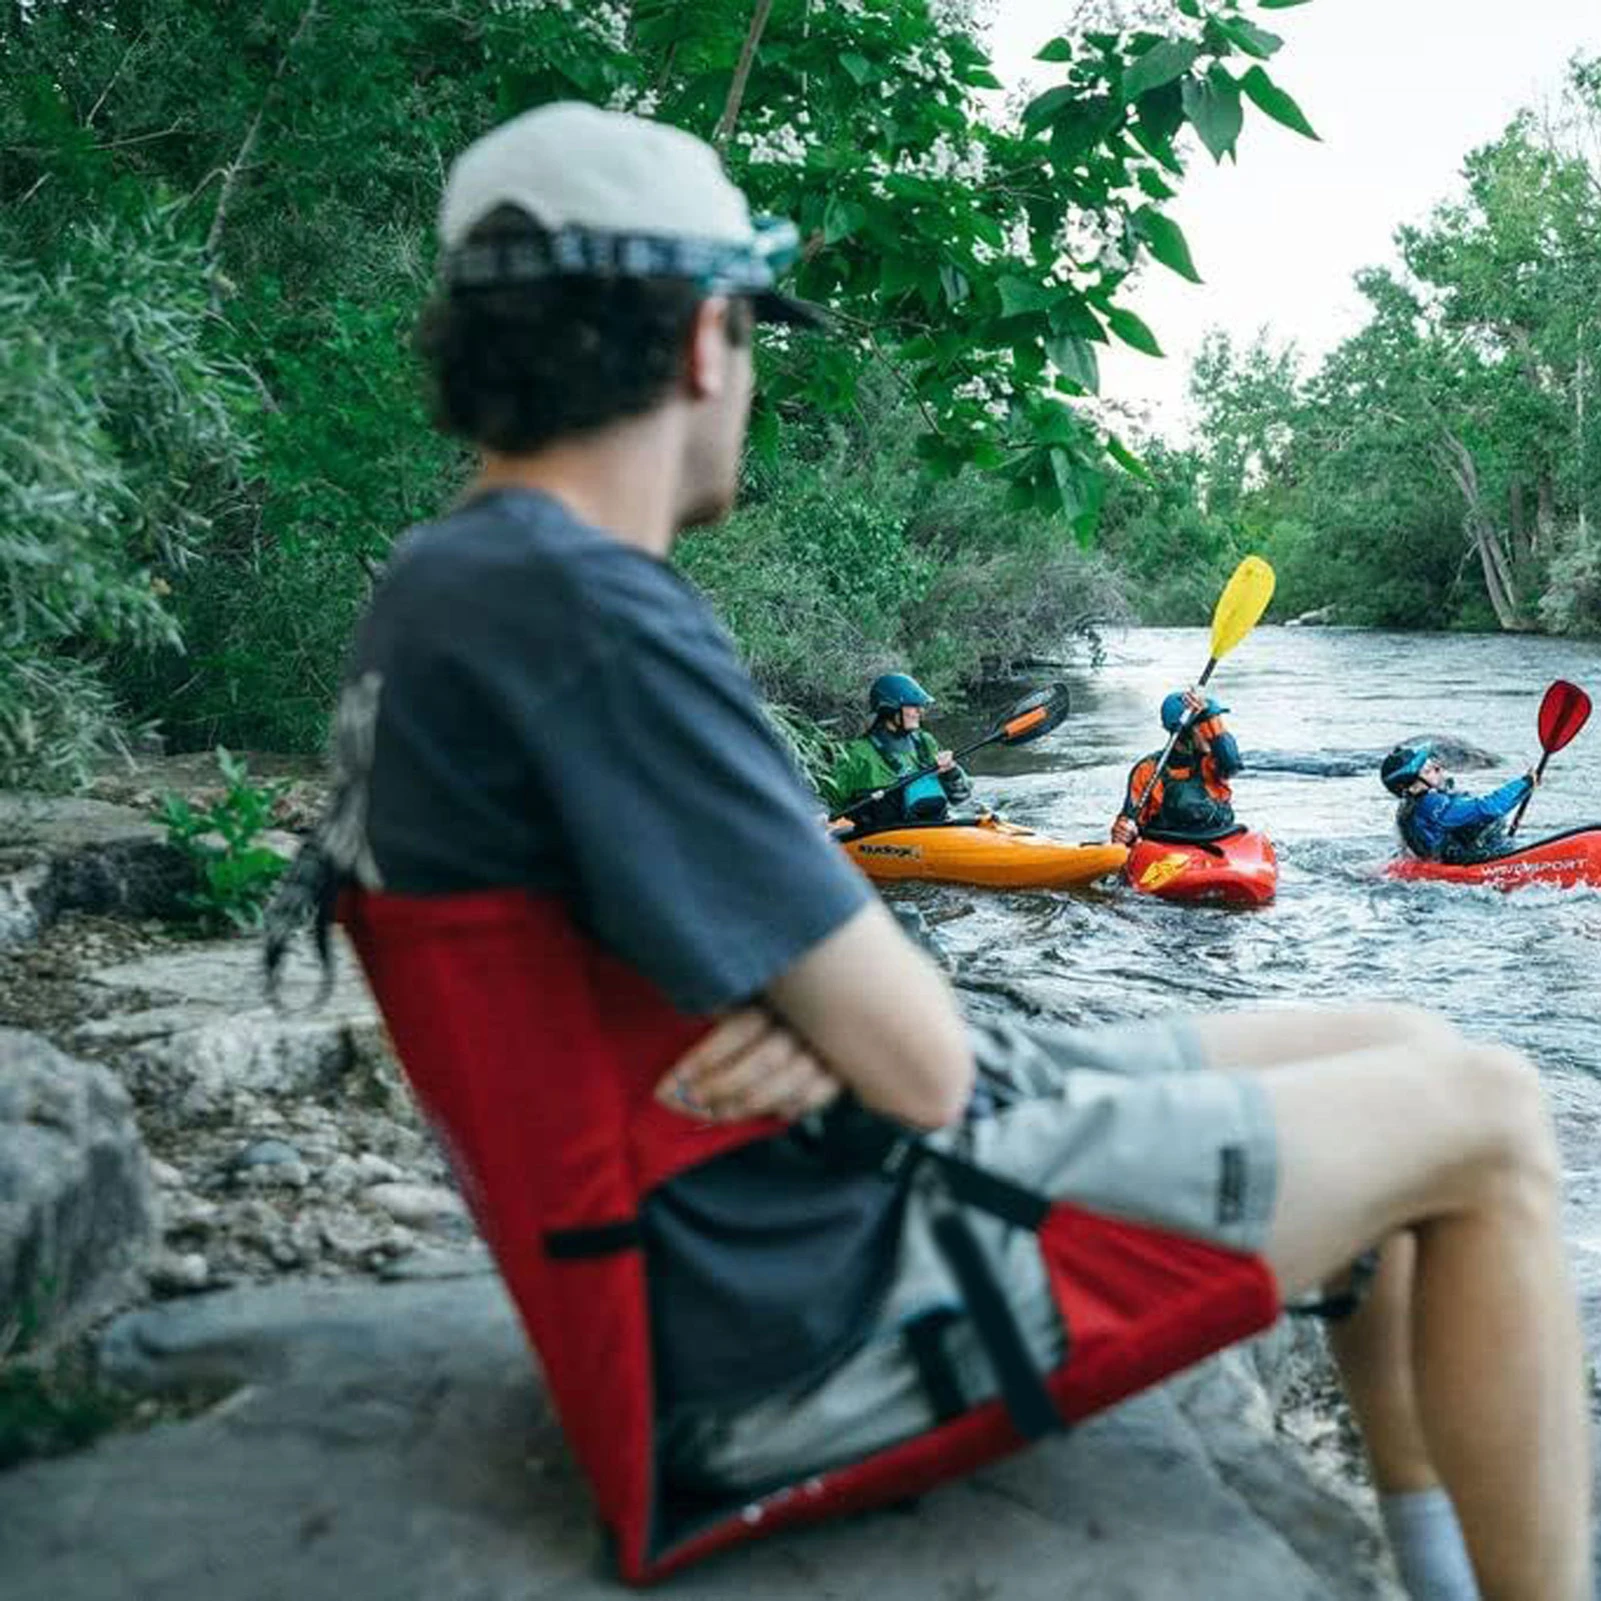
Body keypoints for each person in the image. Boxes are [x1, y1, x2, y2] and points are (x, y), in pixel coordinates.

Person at [270, 103, 1588, 1600]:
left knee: (1402, 1039)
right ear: (702, 340)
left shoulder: (449, 583)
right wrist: (836, 1019)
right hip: (796, 1314)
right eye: (752, 339)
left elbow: (658, 977)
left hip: (732, 1222)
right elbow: (918, 1068)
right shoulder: (591, 616)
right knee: (1488, 1107)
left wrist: (795, 1011)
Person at [822, 672, 972, 830]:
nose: (920, 711)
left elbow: (961, 797)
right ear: (890, 709)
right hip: (882, 837)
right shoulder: (857, 753)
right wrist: (821, 813)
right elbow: (826, 800)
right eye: (913, 706)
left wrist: (951, 773)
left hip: (934, 830)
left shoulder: (925, 743)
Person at [1111, 688, 1243, 845]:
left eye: (1211, 725)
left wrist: (1209, 712)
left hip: (1219, 840)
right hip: (1169, 846)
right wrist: (1124, 831)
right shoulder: (1147, 770)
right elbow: (1129, 819)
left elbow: (1232, 763)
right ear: (1183, 733)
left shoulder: (1213, 761)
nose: (1210, 734)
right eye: (1203, 725)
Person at [1380, 743, 1538, 864]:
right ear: (1413, 786)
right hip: (1470, 862)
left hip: (1445, 858)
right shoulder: (1431, 805)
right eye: (1429, 771)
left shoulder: (1409, 805)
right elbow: (1488, 808)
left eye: (1433, 765)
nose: (1439, 769)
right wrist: (1525, 783)